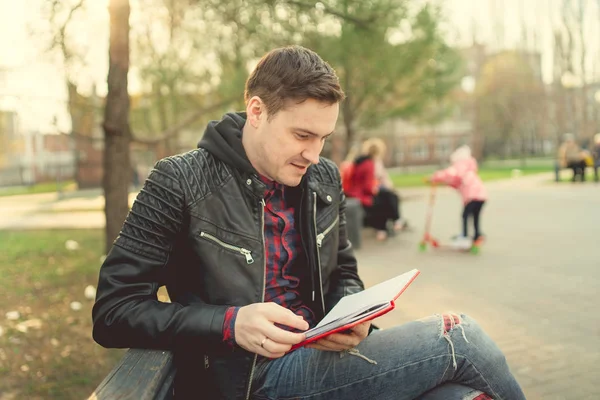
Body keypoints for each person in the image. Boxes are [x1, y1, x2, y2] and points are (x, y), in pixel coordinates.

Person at [92, 46, 525, 400]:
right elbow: (113, 312)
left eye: (324, 138)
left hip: (320, 356)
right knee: (460, 337)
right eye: (302, 136)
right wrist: (230, 323)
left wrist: (353, 315)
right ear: (257, 111)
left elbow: (344, 271)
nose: (314, 154)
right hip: (247, 381)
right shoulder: (180, 179)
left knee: (456, 397)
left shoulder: (323, 178)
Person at [343, 138, 405, 241]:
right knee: (385, 199)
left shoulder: (360, 161)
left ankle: (390, 225)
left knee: (387, 196)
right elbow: (368, 187)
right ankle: (390, 224)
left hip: (352, 192)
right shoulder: (369, 164)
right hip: (360, 194)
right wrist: (374, 189)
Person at [428, 145, 487, 250]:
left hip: (472, 195)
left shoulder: (460, 165)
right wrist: (443, 182)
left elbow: (451, 174)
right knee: (475, 215)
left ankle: (465, 236)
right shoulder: (469, 168)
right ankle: (477, 234)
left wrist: (436, 176)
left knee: (465, 215)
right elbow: (456, 182)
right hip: (481, 195)